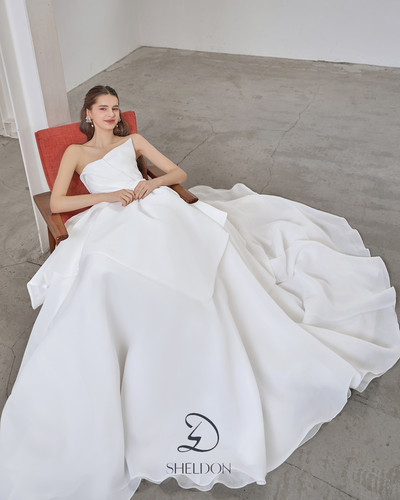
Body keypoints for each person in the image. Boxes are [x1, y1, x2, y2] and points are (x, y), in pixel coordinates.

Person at [0, 84, 399, 500]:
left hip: (156, 207)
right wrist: (109, 196)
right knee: (103, 273)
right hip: (109, 217)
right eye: (103, 109)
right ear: (88, 113)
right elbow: (58, 202)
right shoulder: (76, 153)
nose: (111, 115)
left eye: (115, 108)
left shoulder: (132, 141)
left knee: (196, 259)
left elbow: (177, 175)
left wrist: (150, 185)